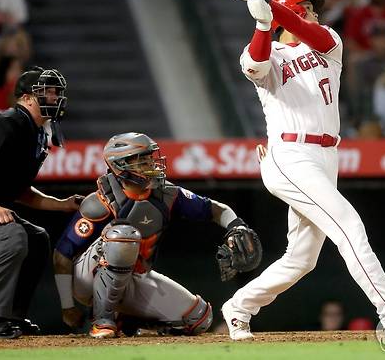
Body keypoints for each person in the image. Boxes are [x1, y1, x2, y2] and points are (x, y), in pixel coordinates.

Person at [223, 0, 385, 341]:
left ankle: (239, 306)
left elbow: (314, 35)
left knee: (302, 259)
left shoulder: (328, 43)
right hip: (290, 155)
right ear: (290, 13)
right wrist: (262, 21)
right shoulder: (266, 52)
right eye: (306, 7)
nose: (314, 11)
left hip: (325, 156)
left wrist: (271, 8)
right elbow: (256, 66)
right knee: (349, 226)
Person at [53, 132, 261, 338]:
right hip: (87, 280)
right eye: (141, 160)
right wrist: (67, 307)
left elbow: (215, 209)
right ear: (120, 165)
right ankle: (102, 321)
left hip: (134, 276)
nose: (151, 165)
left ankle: (126, 320)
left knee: (198, 318)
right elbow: (62, 254)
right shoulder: (99, 202)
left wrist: (237, 226)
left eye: (149, 158)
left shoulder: (167, 194)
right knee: (123, 235)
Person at [0, 67, 82, 339]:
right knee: (11, 236)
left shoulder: (37, 131)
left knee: (36, 238)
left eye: (56, 92)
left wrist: (62, 204)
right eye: (49, 91)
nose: (55, 97)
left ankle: (9, 315)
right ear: (27, 97)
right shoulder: (9, 121)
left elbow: (19, 190)